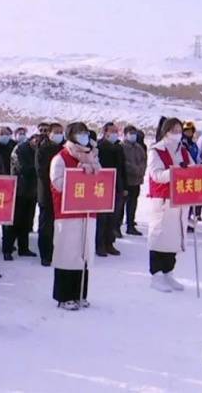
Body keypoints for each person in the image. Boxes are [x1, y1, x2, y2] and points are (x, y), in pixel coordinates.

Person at [49, 122, 101, 310]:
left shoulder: (93, 156)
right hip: (68, 214)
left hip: (87, 212)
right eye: (79, 133)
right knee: (67, 253)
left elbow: (100, 180)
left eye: (85, 133)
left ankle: (80, 293)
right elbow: (58, 184)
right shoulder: (61, 158)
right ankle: (64, 296)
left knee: (83, 253)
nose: (83, 136)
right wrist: (79, 173)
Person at [146, 117, 191, 293]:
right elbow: (156, 175)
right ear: (165, 131)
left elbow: (192, 168)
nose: (177, 134)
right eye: (174, 130)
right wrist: (175, 171)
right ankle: (156, 275)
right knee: (160, 237)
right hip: (163, 200)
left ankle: (168, 272)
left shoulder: (183, 150)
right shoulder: (156, 151)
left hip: (180, 200)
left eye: (179, 130)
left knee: (174, 239)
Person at [4, 133, 38, 260]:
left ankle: (24, 248)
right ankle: (7, 249)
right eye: (36, 140)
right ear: (31, 140)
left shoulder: (37, 150)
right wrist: (39, 169)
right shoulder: (19, 149)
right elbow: (22, 168)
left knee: (26, 221)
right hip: (19, 190)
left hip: (32, 191)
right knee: (14, 222)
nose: (37, 143)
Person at [35, 123, 64, 266]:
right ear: (50, 133)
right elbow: (41, 171)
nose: (59, 134)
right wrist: (55, 182)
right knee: (46, 225)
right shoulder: (43, 148)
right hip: (47, 192)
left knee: (59, 226)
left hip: (62, 194)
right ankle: (45, 254)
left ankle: (57, 251)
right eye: (56, 132)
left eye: (61, 131)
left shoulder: (64, 148)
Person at [96, 122, 125, 254]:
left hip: (117, 185)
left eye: (116, 131)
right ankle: (100, 244)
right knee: (102, 217)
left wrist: (124, 186)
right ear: (105, 132)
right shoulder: (99, 146)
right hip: (102, 185)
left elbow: (122, 168)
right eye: (112, 131)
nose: (114, 133)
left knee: (114, 217)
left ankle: (110, 243)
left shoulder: (119, 147)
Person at [121, 125, 147, 236]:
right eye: (130, 133)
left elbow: (144, 160)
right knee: (121, 204)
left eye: (134, 133)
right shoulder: (122, 147)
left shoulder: (139, 147)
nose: (133, 136)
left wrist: (141, 169)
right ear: (125, 134)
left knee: (133, 204)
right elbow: (123, 162)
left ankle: (130, 225)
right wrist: (134, 169)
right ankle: (117, 226)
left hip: (136, 180)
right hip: (126, 180)